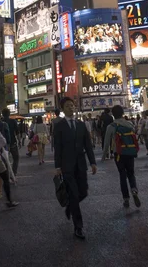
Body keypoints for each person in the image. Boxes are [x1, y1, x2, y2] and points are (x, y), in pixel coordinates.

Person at [54, 97, 97, 240]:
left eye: (72, 105)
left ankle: (70, 207)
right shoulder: (59, 126)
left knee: (83, 192)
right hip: (66, 166)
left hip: (81, 164)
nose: (71, 108)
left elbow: (88, 145)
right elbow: (57, 148)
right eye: (67, 106)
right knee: (73, 193)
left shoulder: (81, 125)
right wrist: (57, 166)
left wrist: (92, 162)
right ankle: (78, 227)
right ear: (62, 109)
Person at [108, 105, 141, 208]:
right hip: (130, 151)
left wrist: (105, 154)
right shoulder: (129, 124)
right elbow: (134, 135)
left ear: (112, 114)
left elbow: (106, 143)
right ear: (122, 113)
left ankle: (126, 198)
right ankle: (134, 189)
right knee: (131, 173)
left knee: (122, 175)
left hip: (118, 153)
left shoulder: (111, 126)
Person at [2, 108, 20, 175]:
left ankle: (6, 174)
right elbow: (17, 132)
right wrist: (19, 141)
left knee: (5, 160)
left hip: (3, 144)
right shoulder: (13, 121)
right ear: (9, 113)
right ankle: (13, 173)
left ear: (2, 114)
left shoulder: (0, 121)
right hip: (13, 142)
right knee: (16, 158)